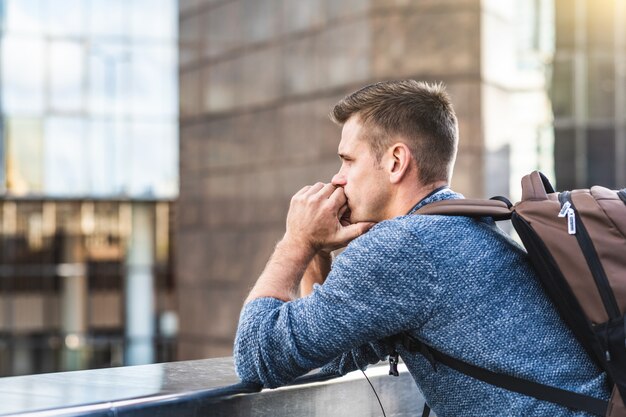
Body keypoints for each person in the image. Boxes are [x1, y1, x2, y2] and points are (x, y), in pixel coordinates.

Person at [233, 80, 610, 416]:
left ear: (396, 161)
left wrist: (296, 240)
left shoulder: (404, 247)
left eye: (348, 160)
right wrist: (318, 249)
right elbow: (329, 355)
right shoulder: (460, 223)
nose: (338, 177)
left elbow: (256, 356)